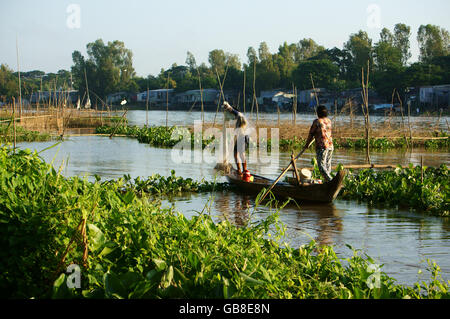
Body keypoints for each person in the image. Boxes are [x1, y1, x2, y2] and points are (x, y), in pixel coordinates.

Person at [301, 105, 334, 182]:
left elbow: (311, 134)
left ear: (318, 113)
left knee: (321, 166)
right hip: (330, 146)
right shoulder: (329, 121)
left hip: (322, 146)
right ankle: (328, 182)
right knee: (327, 166)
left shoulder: (317, 122)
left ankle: (330, 181)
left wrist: (306, 145)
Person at [223, 101, 249, 175]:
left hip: (243, 137)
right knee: (236, 154)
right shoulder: (239, 118)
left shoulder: (240, 115)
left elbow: (234, 111)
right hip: (239, 137)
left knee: (241, 154)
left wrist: (227, 107)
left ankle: (244, 170)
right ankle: (239, 170)